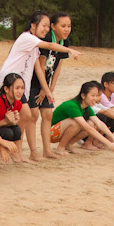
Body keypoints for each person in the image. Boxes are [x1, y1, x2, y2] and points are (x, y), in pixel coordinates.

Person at [0, 11, 82, 161]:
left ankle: (16, 151)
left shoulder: (35, 44)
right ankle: (15, 151)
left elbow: (37, 68)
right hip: (10, 80)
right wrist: (69, 50)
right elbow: (49, 46)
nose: (45, 29)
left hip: (22, 83)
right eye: (43, 26)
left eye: (46, 27)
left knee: (23, 115)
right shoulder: (27, 37)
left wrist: (48, 90)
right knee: (24, 115)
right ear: (33, 26)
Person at [29, 12, 73, 159]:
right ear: (53, 27)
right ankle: (33, 152)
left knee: (48, 114)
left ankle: (47, 150)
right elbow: (40, 66)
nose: (66, 29)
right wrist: (44, 89)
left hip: (45, 84)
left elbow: (58, 67)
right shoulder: (47, 39)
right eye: (63, 26)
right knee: (33, 115)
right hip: (32, 82)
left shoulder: (64, 42)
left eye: (69, 26)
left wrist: (51, 88)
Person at [50, 81, 114, 154]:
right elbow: (88, 128)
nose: (95, 99)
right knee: (76, 123)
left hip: (60, 132)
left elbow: (99, 123)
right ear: (83, 96)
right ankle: (60, 148)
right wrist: (110, 144)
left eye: (96, 96)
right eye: (92, 96)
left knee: (91, 124)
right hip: (51, 133)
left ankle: (68, 145)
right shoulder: (72, 106)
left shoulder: (87, 107)